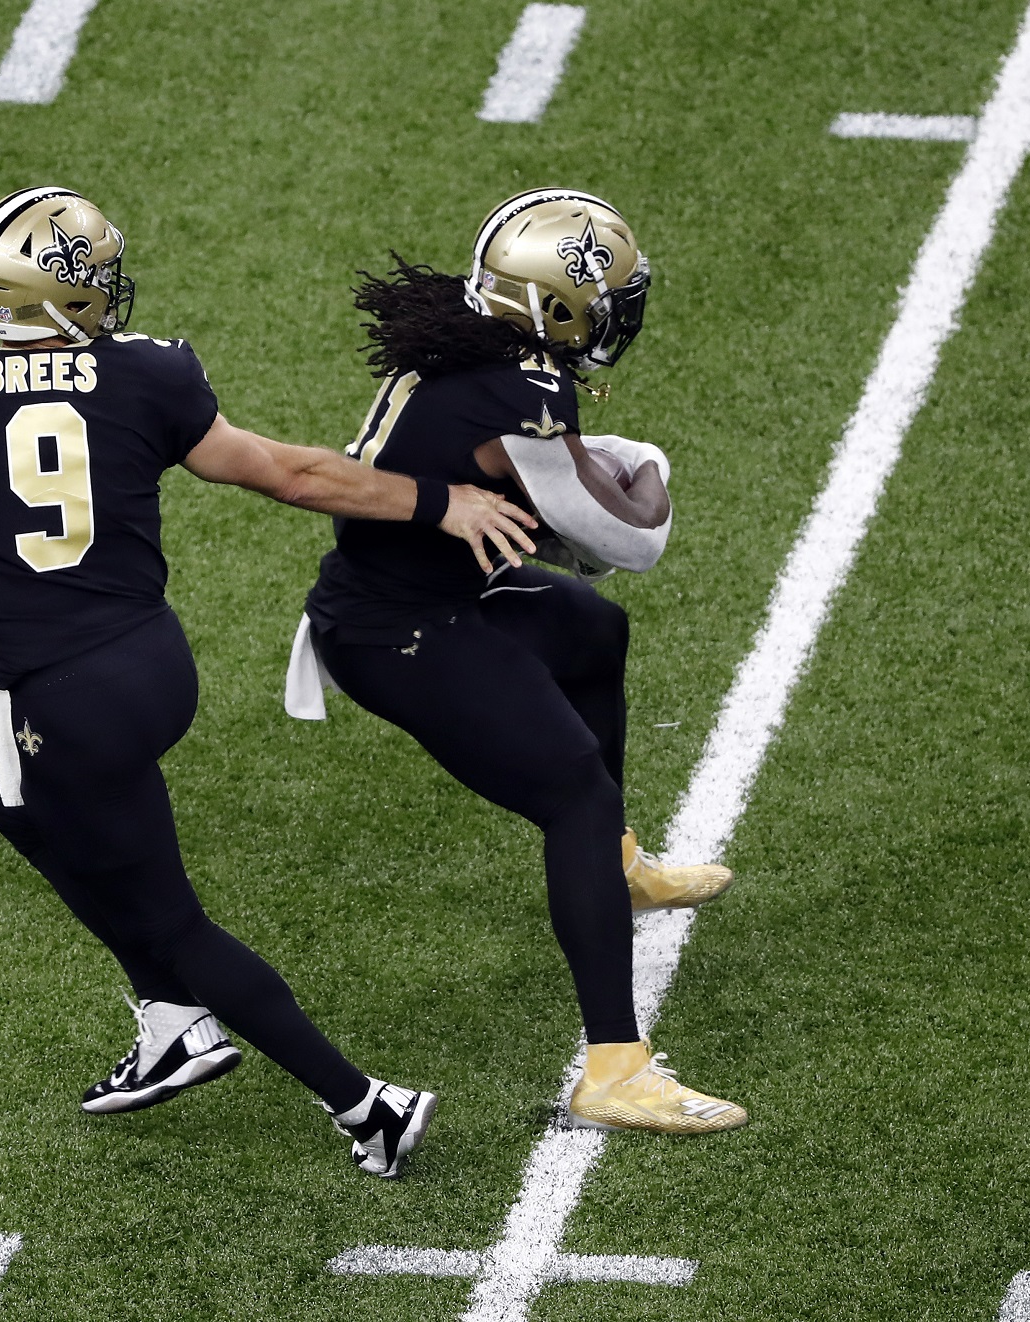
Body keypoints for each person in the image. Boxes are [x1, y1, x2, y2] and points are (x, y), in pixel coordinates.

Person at [0, 186, 536, 1177]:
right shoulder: (147, 372)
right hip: (153, 664)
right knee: (11, 803)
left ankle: (364, 1103)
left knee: (173, 922)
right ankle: (169, 1014)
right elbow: (290, 473)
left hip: (64, 698)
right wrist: (438, 501)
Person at [286, 188, 748, 1135]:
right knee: (575, 794)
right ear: (557, 306)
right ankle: (614, 1069)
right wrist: (649, 463)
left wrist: (587, 461)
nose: (619, 314)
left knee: (591, 631)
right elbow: (628, 538)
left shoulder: (469, 343)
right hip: (400, 632)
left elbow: (542, 475)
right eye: (608, 298)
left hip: (432, 591)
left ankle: (616, 867)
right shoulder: (520, 389)